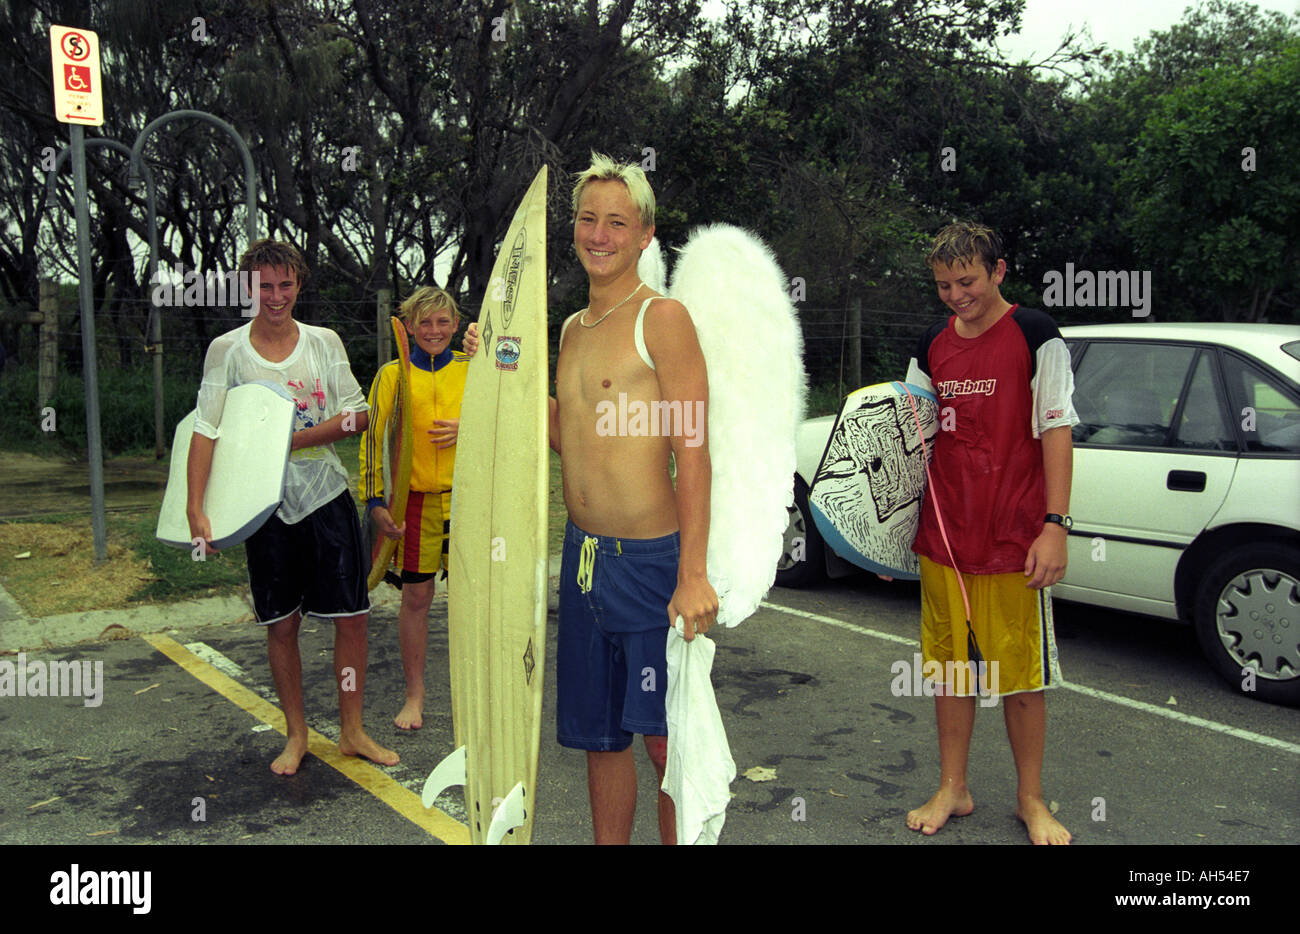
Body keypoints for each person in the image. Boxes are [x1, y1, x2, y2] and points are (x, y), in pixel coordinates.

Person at [467, 154, 717, 844]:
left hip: (650, 564)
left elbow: (692, 450)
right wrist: (496, 367)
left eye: (617, 222)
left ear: (645, 235)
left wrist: (692, 573)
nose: (598, 234)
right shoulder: (572, 328)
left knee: (666, 741)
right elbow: (569, 434)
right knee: (601, 737)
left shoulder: (662, 319)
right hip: (583, 559)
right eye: (587, 219)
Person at [186, 238, 398, 776]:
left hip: (325, 496)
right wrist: (195, 508)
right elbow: (207, 429)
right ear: (247, 287)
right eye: (263, 285)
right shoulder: (227, 351)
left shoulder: (323, 343)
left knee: (350, 619)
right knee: (280, 624)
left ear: (299, 285)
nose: (275, 296)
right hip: (263, 508)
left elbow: (359, 416)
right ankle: (297, 733)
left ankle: (352, 730)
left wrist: (289, 441)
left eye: (285, 284)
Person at [901, 221, 1077, 844]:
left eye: (967, 280)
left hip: (1014, 538)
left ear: (999, 272)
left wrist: (1054, 526)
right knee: (951, 671)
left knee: (1021, 678)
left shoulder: (1035, 334)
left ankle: (1032, 800)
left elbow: (1057, 429)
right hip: (945, 539)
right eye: (944, 284)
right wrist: (883, 532)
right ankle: (955, 786)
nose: (955, 295)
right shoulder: (930, 343)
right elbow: (910, 440)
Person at [360, 286, 468, 730]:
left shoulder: (473, 369)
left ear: (457, 325)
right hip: (416, 501)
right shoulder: (392, 375)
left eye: (443, 321)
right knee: (417, 597)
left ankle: (474, 693)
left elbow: (508, 416)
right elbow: (372, 440)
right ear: (407, 327)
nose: (434, 330)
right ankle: (414, 695)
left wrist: (470, 426)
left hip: (468, 499)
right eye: (424, 322)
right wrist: (374, 500)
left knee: (473, 600)